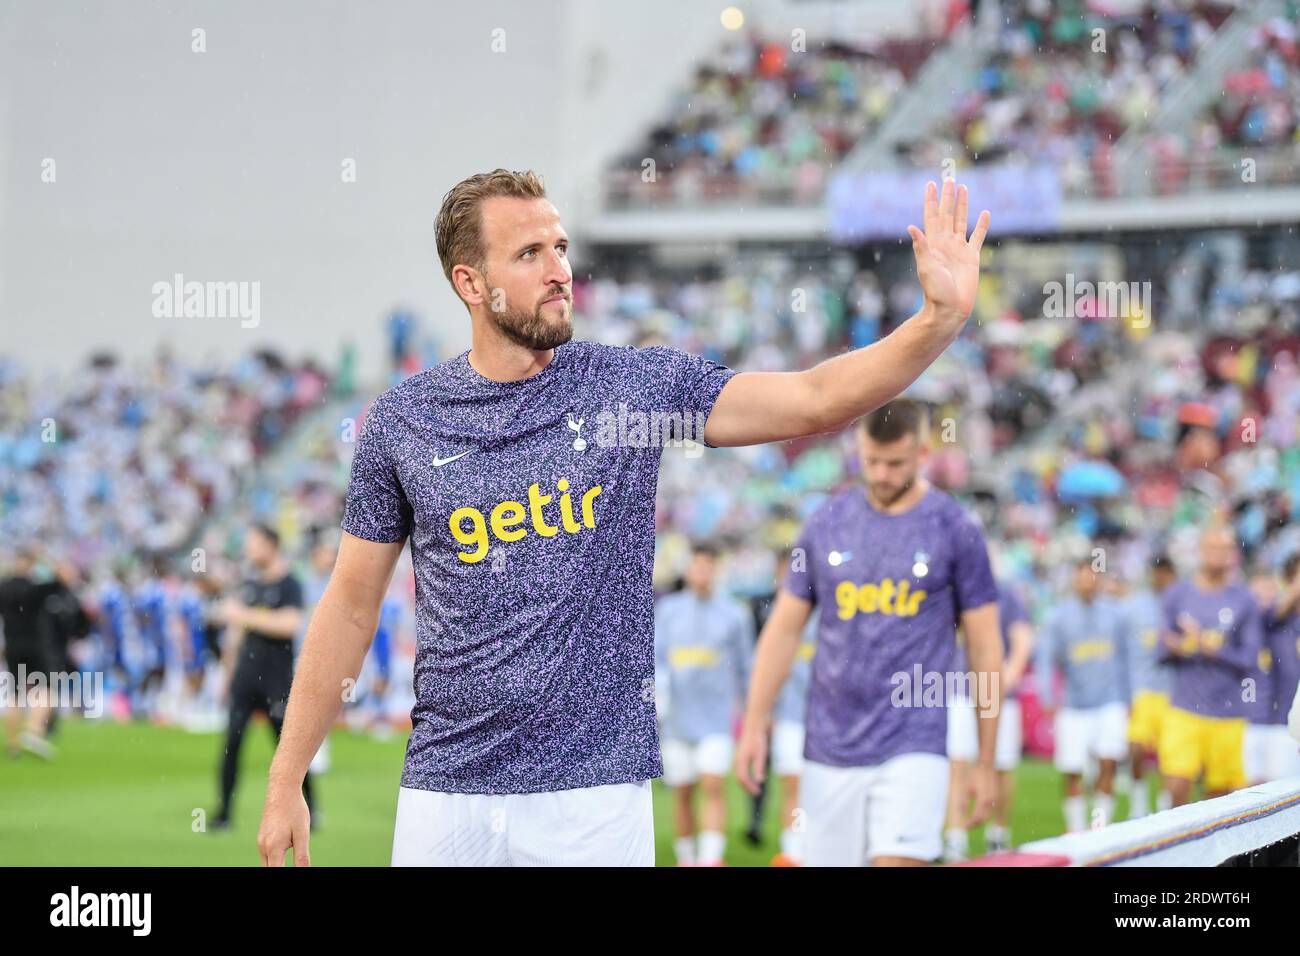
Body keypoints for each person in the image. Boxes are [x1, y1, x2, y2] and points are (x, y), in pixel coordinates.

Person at [256, 169, 991, 867]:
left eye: (561, 247)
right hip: (447, 791)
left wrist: (936, 320)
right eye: (530, 252)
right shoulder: (404, 422)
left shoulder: (632, 389)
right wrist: (287, 775)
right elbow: (351, 607)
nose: (558, 269)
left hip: (595, 793)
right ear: (470, 284)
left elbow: (812, 398)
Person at [737, 399, 1003, 867]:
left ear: (923, 456)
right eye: (872, 461)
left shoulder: (955, 529)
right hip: (829, 743)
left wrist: (985, 759)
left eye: (895, 463)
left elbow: (984, 646)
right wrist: (755, 723)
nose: (880, 474)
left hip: (914, 738)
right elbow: (782, 631)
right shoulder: (825, 523)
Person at [654, 543, 753, 866]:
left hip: (716, 719)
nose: (702, 572)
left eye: (708, 566)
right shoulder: (668, 611)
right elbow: (657, 661)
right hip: (677, 721)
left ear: (716, 569)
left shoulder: (735, 614)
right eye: (697, 566)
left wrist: (751, 714)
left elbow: (744, 667)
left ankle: (711, 859)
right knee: (683, 792)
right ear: (688, 569)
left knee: (713, 784)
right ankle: (687, 857)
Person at [214, 525, 313, 830]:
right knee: (231, 744)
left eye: (254, 543)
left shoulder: (289, 585)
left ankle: (310, 808)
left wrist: (243, 615)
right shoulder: (249, 585)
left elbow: (290, 624)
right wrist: (226, 674)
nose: (249, 550)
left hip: (276, 681)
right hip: (245, 678)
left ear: (272, 546)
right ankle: (224, 813)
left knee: (288, 750)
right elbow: (235, 637)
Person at [1158, 525, 1263, 806]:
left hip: (1228, 713)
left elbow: (1249, 659)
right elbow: (1161, 648)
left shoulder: (1244, 600)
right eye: (1211, 547)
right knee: (1176, 787)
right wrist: (1177, 647)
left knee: (1217, 803)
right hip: (1184, 708)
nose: (1217, 554)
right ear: (1200, 551)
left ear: (1232, 555)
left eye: (1224, 548)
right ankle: (1176, 849)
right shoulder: (1178, 594)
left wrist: (1209, 647)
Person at [1038, 557, 1130, 832]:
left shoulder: (1115, 615)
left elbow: (1125, 658)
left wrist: (1128, 696)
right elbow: (1045, 658)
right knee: (1072, 771)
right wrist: (1047, 695)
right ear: (1074, 581)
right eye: (1082, 577)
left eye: (1092, 577)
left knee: (1108, 763)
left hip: (1109, 701)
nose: (1087, 583)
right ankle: (1077, 832)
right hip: (1074, 704)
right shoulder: (1059, 616)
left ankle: (1099, 829)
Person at [945, 576, 1033, 858]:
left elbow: (1022, 637)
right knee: (958, 764)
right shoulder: (950, 589)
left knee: (1001, 766)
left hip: (999, 696)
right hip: (960, 690)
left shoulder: (1004, 592)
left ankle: (998, 834)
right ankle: (955, 837)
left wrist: (1010, 674)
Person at [1120, 554, 1177, 818]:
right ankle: (1139, 803)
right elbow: (1122, 650)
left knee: (1170, 753)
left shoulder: (1180, 605)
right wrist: (1126, 692)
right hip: (1142, 689)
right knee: (1136, 748)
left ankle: (1165, 806)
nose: (1161, 578)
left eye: (1165, 572)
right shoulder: (1134, 608)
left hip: (1171, 691)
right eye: (1157, 572)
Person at [0, 550, 56, 759]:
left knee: (14, 695)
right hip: (34, 646)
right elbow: (59, 579)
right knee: (45, 689)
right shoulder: (35, 588)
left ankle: (12, 745)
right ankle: (33, 731)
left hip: (12, 646)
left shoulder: (4, 588)